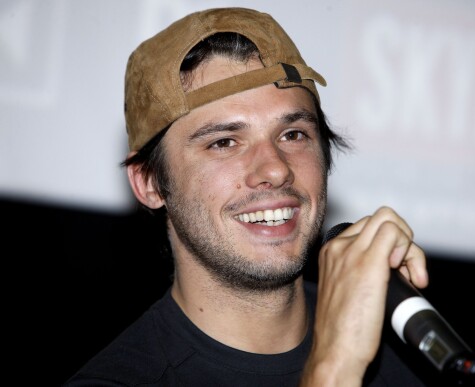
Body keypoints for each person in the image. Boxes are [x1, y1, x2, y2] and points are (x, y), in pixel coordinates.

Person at [64, 7, 430, 387]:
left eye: (293, 135)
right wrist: (334, 370)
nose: (275, 169)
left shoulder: (406, 351)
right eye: (224, 142)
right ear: (150, 183)